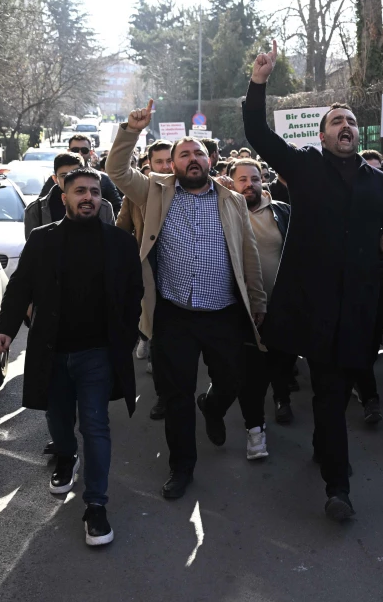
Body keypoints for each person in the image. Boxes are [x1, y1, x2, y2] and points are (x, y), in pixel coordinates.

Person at [243, 40, 383, 522]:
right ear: (322, 134)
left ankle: (332, 469)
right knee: (297, 379)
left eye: (352, 122)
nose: (346, 127)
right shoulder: (303, 167)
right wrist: (259, 81)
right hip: (306, 303)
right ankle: (331, 475)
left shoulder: (378, 183)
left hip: (354, 307)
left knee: (332, 396)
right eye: (337, 122)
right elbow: (257, 133)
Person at [105, 118, 267, 500]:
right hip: (174, 313)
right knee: (177, 396)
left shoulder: (233, 201)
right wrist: (130, 130)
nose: (192, 159)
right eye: (184, 154)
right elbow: (116, 170)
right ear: (172, 164)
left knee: (231, 380)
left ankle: (212, 406)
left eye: (198, 153)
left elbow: (249, 254)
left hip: (223, 313)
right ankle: (182, 466)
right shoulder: (154, 193)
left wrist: (257, 301)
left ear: (211, 160)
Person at [0, 167, 143, 547]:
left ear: (101, 199)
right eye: (80, 191)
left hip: (98, 354)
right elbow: (20, 287)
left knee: (95, 425)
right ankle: (65, 456)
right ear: (65, 198)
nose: (88, 197)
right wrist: (5, 329)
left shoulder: (120, 243)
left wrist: (122, 337)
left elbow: (133, 294)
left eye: (94, 191)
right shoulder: (43, 240)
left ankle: (96, 506)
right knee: (58, 420)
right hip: (52, 351)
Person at [231, 158, 298, 457]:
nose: (249, 184)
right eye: (242, 179)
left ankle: (282, 399)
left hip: (283, 305)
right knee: (251, 371)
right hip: (242, 307)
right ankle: (255, 429)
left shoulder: (282, 212)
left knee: (282, 358)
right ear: (231, 183)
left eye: (255, 178)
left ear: (264, 180)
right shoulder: (226, 215)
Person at [26, 153, 115, 238]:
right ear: (55, 179)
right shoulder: (36, 210)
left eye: (74, 174)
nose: (69, 180)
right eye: (64, 175)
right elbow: (34, 249)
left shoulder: (104, 208)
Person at [39, 135, 125, 215]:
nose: (80, 153)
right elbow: (41, 206)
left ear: (91, 152)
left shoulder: (103, 179)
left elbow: (118, 207)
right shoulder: (54, 179)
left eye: (84, 150)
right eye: (75, 150)